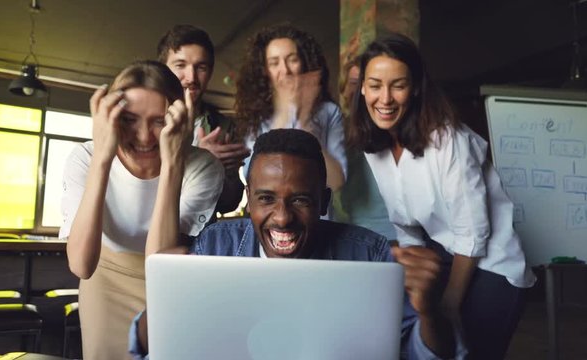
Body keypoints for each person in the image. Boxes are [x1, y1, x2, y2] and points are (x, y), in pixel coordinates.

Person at [129, 129, 465, 360]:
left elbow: (426, 355)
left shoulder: (370, 256)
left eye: (301, 200)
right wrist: (164, 299)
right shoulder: (216, 246)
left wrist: (429, 311)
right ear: (249, 200)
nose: (282, 217)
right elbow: (150, 350)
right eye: (266, 199)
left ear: (323, 201)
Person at [348, 33, 536, 360]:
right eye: (375, 84)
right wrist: (412, 288)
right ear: (362, 87)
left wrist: (448, 303)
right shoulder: (373, 147)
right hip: (447, 256)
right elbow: (406, 227)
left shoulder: (448, 141)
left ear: (417, 87)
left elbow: (474, 233)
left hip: (493, 264)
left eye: (398, 85)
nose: (385, 98)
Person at [59, 60, 224, 360]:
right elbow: (82, 265)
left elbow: (157, 264)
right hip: (104, 279)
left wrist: (173, 162)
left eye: (159, 120)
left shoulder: (203, 168)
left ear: (180, 120)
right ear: (112, 118)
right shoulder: (85, 158)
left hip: (168, 285)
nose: (144, 136)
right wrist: (103, 157)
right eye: (130, 119)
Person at [234, 23, 347, 194]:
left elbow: (337, 182)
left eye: (292, 59)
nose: (285, 70)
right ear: (265, 70)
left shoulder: (329, 112)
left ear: (304, 63)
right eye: (274, 63)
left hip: (317, 219)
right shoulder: (254, 116)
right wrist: (283, 114)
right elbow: (254, 180)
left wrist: (306, 122)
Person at [157, 24, 249, 214]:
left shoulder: (223, 126)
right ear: (162, 69)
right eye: (180, 65)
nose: (191, 77)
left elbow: (228, 204)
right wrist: (201, 159)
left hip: (198, 237)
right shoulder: (144, 118)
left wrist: (224, 175)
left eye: (201, 67)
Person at [333, 56, 396, 240]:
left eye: (368, 83)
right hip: (356, 232)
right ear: (343, 91)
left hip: (396, 234)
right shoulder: (338, 129)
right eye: (354, 83)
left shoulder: (391, 127)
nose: (361, 90)